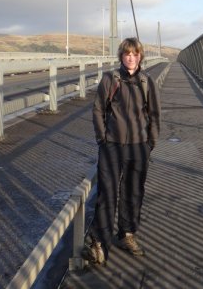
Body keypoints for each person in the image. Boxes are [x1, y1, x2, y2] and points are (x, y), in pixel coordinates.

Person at [83, 37, 161, 265]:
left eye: (135, 54)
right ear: (121, 56)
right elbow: (98, 109)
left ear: (140, 57)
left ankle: (127, 234)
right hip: (112, 147)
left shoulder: (147, 82)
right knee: (107, 194)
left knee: (133, 193)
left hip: (138, 147)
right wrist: (102, 139)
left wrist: (150, 143)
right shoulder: (110, 79)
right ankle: (100, 243)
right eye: (127, 54)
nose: (131, 58)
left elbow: (155, 115)